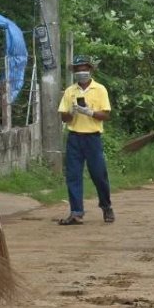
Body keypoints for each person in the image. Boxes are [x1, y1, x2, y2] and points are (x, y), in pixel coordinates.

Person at [58, 55, 114, 225]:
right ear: (74, 71)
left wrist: (89, 112)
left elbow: (106, 114)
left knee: (99, 174)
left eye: (84, 69)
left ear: (90, 70)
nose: (81, 72)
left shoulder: (100, 89)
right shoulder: (70, 91)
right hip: (74, 137)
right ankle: (76, 212)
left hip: (92, 138)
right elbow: (63, 117)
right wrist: (73, 112)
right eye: (78, 69)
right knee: (73, 175)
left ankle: (106, 206)